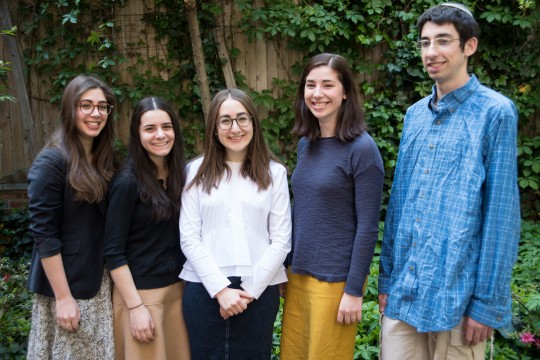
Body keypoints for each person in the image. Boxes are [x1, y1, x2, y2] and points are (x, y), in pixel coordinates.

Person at [378, 3, 520, 359]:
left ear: (468, 46)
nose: (431, 52)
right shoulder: (414, 116)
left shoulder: (495, 113)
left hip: (457, 297)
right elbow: (399, 203)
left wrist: (486, 305)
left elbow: (501, 216)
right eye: (425, 43)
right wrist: (387, 281)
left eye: (443, 41)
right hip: (405, 292)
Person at [280, 53, 385, 359]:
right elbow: (302, 212)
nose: (317, 93)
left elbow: (367, 227)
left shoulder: (362, 150)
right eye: (310, 85)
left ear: (345, 92)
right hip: (298, 276)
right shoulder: (305, 144)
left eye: (328, 85)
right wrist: (284, 268)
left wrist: (354, 291)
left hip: (335, 281)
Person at [179, 88, 292, 359]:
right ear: (214, 129)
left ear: (253, 122)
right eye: (225, 120)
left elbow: (281, 241)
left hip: (259, 290)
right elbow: (189, 237)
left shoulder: (274, 173)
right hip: (205, 288)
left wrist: (250, 292)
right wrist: (220, 290)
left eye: (242, 118)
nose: (235, 128)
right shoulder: (195, 171)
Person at [26, 75, 117, 359]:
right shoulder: (51, 161)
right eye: (86, 105)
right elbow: (45, 236)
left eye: (102, 107)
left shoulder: (103, 159)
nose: (96, 113)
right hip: (68, 285)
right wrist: (63, 298)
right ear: (70, 108)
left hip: (98, 281)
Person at [103, 97, 190, 360]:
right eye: (150, 129)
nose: (160, 135)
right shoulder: (127, 183)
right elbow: (113, 252)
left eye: (166, 126)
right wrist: (136, 307)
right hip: (141, 298)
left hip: (178, 293)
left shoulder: (182, 176)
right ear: (137, 134)